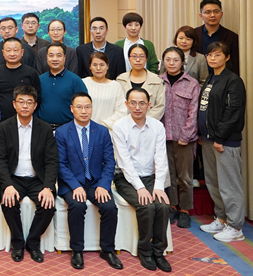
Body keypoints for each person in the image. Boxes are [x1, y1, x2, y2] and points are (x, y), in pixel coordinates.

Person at [56, 92, 122, 270]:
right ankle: (77, 250)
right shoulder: (62, 132)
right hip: (72, 182)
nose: (83, 111)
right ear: (72, 109)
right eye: (79, 107)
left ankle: (107, 250)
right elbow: (60, 164)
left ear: (92, 109)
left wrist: (103, 185)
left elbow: (109, 162)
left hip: (95, 182)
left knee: (109, 207)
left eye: (87, 107)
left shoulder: (102, 131)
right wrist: (75, 186)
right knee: (77, 205)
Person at [0, 85, 57, 263]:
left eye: (29, 102)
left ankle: (33, 243)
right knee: (8, 202)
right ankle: (17, 243)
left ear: (35, 105)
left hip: (37, 179)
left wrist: (48, 187)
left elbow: (52, 160)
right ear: (14, 104)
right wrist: (7, 185)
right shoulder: (4, 127)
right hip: (14, 178)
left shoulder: (44, 128)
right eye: (21, 101)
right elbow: (0, 159)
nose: (25, 105)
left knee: (48, 205)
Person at [112, 88, 171, 272]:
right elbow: (125, 162)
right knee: (146, 205)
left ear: (149, 105)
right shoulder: (119, 126)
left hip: (151, 177)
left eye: (142, 103)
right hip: (126, 178)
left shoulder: (157, 126)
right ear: (127, 104)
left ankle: (158, 251)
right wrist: (139, 187)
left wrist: (159, 186)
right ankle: (145, 251)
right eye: (133, 103)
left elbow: (161, 158)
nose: (137, 107)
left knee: (163, 205)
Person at [198, 42, 246, 242]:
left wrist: (220, 137)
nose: (212, 58)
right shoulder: (211, 78)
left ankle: (235, 228)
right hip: (208, 139)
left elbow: (233, 111)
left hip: (224, 141)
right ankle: (222, 219)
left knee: (229, 185)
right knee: (214, 182)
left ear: (226, 57)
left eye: (217, 55)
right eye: (209, 55)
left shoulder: (233, 80)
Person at [160, 47, 200, 229]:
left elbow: (194, 112)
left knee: (185, 178)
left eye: (175, 60)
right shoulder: (158, 82)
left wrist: (186, 135)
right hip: (162, 138)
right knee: (168, 176)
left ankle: (184, 211)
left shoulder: (192, 83)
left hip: (184, 138)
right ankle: (172, 208)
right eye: (168, 59)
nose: (171, 63)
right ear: (163, 61)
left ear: (182, 62)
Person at [36, 42, 87, 131]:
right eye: (51, 55)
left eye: (59, 55)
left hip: (68, 129)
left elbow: (83, 106)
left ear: (64, 57)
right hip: (43, 129)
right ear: (47, 57)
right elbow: (34, 104)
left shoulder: (75, 80)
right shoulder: (40, 80)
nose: (55, 59)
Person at [0, 37, 41, 121]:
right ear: (3, 52)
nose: (12, 54)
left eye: (15, 50)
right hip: (0, 120)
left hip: (25, 120)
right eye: (8, 50)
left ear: (22, 52)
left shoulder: (31, 73)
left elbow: (37, 97)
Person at [116, 44, 165, 121]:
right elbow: (117, 105)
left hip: (149, 124)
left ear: (146, 59)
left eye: (142, 56)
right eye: (134, 56)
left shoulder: (157, 81)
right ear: (129, 58)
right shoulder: (120, 80)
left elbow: (160, 106)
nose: (138, 60)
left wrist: (143, 121)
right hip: (125, 123)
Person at [194, 0, 239, 75]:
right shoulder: (193, 34)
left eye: (216, 11)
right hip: (197, 79)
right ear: (201, 16)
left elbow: (235, 65)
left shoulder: (232, 36)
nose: (212, 15)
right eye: (208, 12)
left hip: (222, 78)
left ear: (221, 14)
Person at [82, 52, 126, 130]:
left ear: (107, 66)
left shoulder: (115, 86)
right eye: (95, 65)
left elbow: (122, 111)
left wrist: (104, 124)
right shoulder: (83, 83)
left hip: (109, 130)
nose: (98, 68)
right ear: (90, 67)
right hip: (85, 129)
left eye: (102, 65)